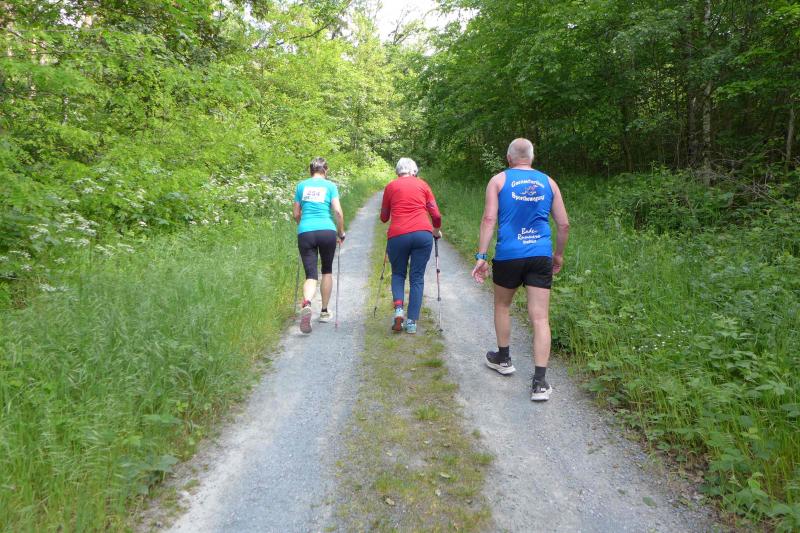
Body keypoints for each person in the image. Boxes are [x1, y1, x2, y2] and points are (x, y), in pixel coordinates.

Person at [471, 138, 569, 401]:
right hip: (540, 255)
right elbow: (563, 225)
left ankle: (503, 359)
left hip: (509, 254)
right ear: (532, 157)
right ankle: (539, 383)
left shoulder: (498, 181)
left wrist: (481, 256)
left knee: (502, 306)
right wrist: (558, 255)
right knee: (540, 318)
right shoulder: (549, 183)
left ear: (509, 157)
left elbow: (489, 218)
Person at [380, 157, 442, 334]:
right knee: (417, 277)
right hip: (423, 234)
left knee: (398, 274)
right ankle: (412, 322)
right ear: (414, 171)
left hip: (397, 235)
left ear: (398, 171)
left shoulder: (391, 186)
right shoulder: (423, 185)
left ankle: (399, 309)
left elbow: (384, 217)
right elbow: (436, 215)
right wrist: (436, 230)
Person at [293, 157, 346, 334]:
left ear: (310, 171)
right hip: (326, 231)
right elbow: (337, 211)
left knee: (311, 274)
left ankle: (307, 303)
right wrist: (341, 232)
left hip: (306, 231)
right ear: (325, 170)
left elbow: (296, 213)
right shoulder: (330, 186)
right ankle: (324, 311)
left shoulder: (301, 186)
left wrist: (302, 225)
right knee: (327, 271)